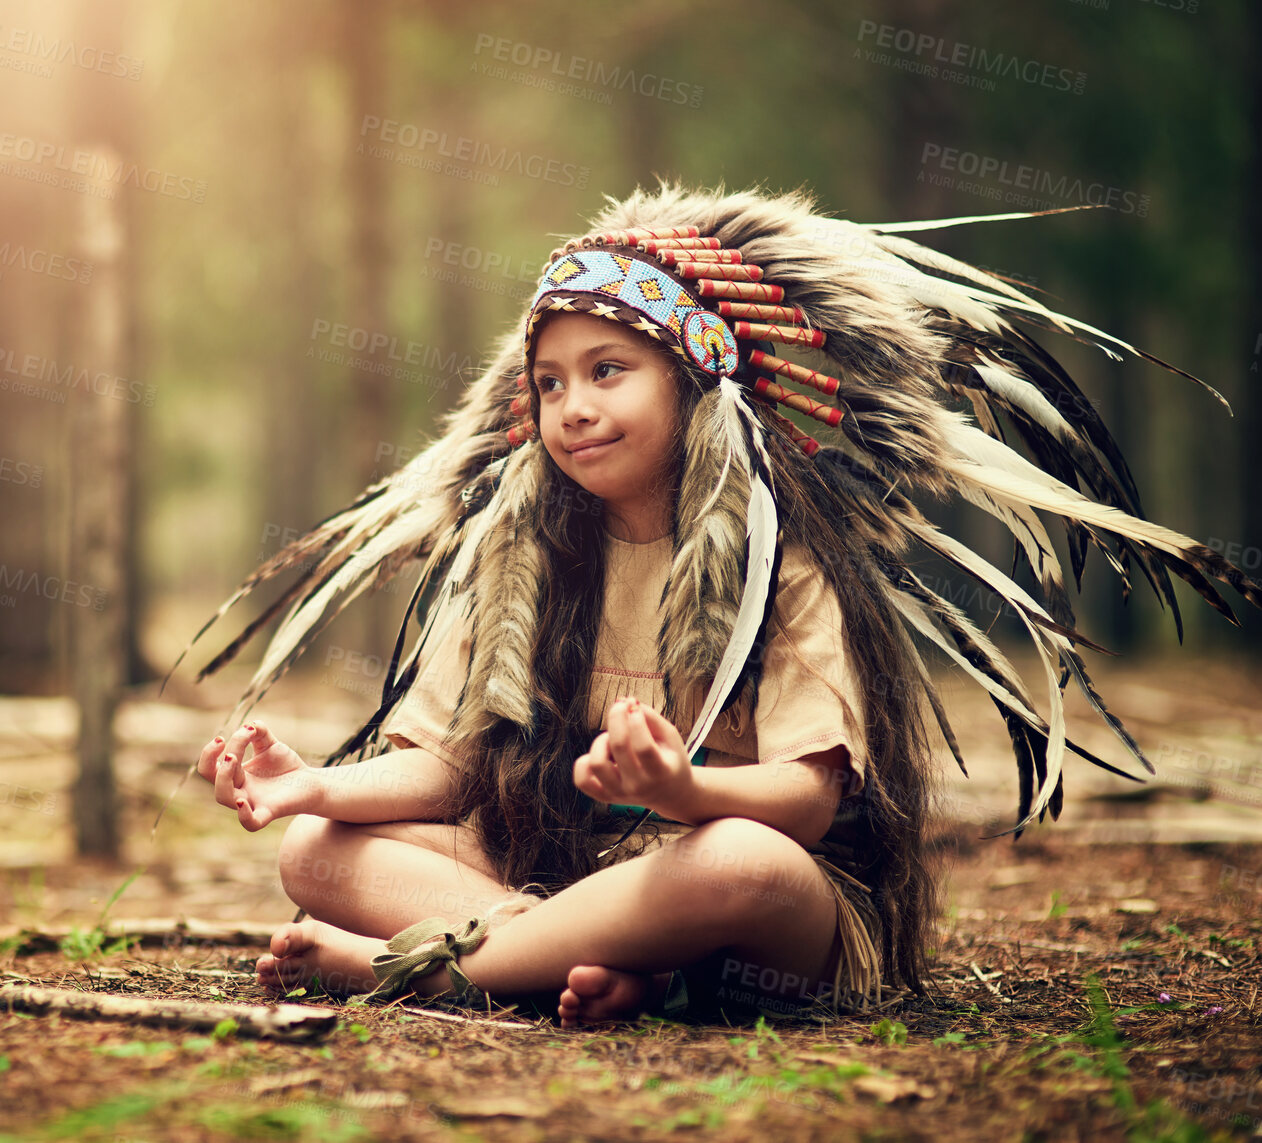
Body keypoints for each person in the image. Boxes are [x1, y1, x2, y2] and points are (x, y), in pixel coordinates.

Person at [177, 182, 1261, 1027]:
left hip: (755, 906)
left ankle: (431, 968)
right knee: (314, 852)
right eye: (548, 383)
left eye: (609, 370)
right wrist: (311, 781)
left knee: (740, 864)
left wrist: (684, 787)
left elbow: (807, 805)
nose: (572, 408)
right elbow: (453, 763)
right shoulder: (517, 564)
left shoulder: (782, 569)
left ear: (695, 385)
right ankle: (581, 964)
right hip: (572, 880)